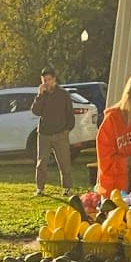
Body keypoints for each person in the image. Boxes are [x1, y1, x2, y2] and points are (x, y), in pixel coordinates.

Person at [31, 67, 75, 197]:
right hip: (44, 134)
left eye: (49, 80)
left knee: (65, 162)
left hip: (61, 133)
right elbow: (35, 111)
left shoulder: (63, 94)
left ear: (54, 79)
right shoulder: (42, 95)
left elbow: (70, 114)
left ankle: (67, 188)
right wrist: (39, 95)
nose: (47, 82)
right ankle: (40, 188)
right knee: (41, 163)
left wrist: (67, 130)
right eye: (44, 80)